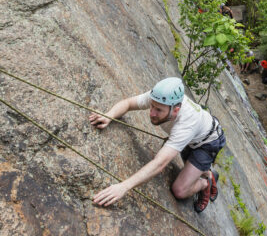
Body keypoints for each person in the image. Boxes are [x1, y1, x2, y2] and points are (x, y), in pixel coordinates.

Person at [89, 76, 225, 213]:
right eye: (152, 106)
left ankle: (205, 182)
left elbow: (160, 164)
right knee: (183, 157)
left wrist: (124, 187)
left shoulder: (185, 125)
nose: (152, 113)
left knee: (179, 190)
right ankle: (206, 171)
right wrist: (109, 115)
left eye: (158, 110)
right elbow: (128, 103)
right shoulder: (161, 98)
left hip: (208, 143)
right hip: (194, 134)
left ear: (176, 110)